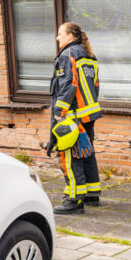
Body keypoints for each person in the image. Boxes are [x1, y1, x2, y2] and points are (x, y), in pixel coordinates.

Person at [46, 22, 102, 214]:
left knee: (70, 156)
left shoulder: (67, 55)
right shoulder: (89, 56)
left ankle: (74, 200)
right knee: (87, 152)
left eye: (60, 34)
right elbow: (94, 85)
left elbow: (68, 85)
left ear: (70, 36)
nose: (57, 37)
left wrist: (59, 114)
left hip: (73, 115)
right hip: (88, 113)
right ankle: (91, 194)